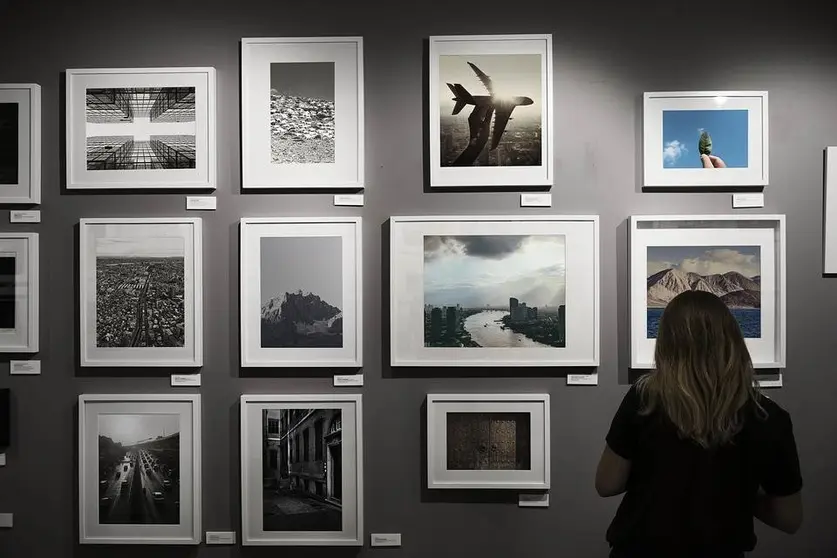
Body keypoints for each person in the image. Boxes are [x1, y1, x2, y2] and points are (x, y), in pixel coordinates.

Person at [596, 290, 803, 558]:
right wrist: (736, 491)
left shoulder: (644, 400)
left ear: (667, 343)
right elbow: (789, 518)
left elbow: (606, 484)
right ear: (732, 340)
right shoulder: (769, 417)